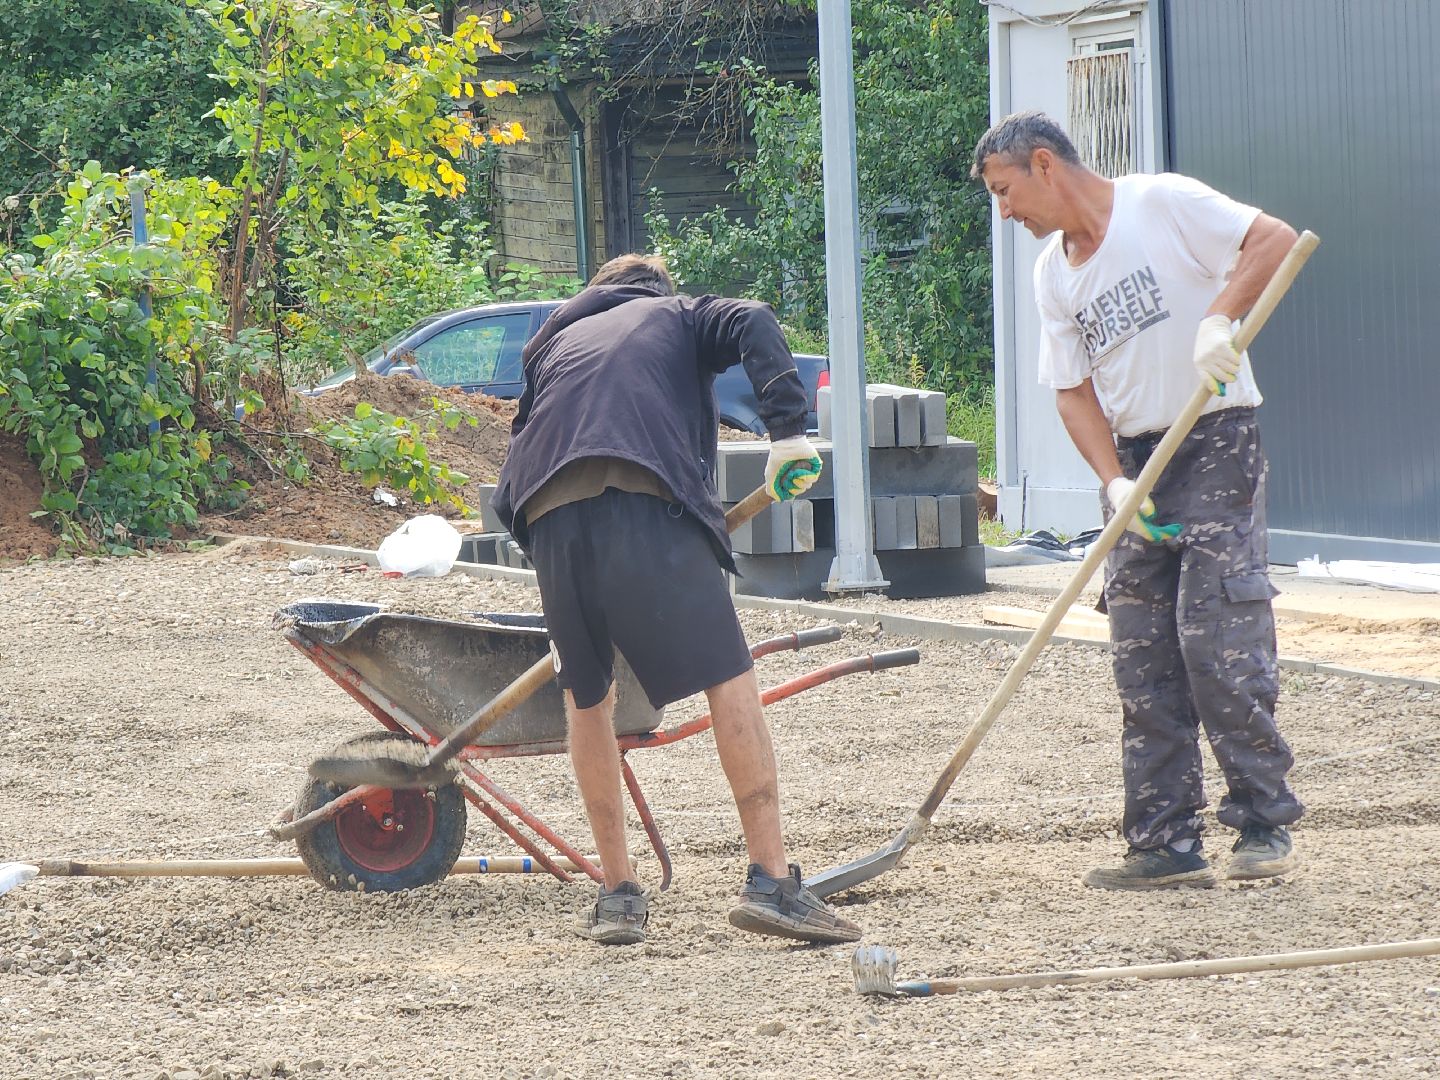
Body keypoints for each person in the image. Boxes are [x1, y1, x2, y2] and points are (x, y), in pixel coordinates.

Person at [972, 111, 1304, 890]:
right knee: (1140, 649)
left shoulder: (1161, 204)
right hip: (1135, 462)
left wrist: (1219, 319)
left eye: (1004, 190)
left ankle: (1262, 819)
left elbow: (1275, 240)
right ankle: (1163, 841)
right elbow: (1072, 392)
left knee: (1212, 633)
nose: (1004, 211)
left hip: (1216, 439)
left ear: (1044, 165)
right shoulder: (1054, 272)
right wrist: (1114, 482)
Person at [492, 253, 862, 944]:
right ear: (657, 289)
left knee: (587, 697)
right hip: (640, 494)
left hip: (546, 516)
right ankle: (773, 880)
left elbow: (522, 448)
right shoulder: (676, 314)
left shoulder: (554, 343)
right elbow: (752, 319)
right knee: (730, 674)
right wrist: (786, 433)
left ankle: (617, 895)